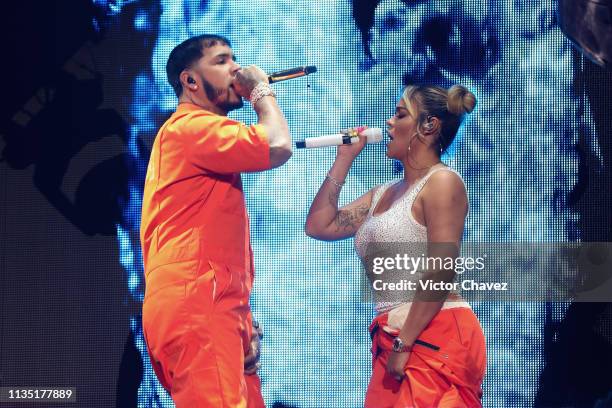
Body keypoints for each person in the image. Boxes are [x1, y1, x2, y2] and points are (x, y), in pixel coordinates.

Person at [305, 84, 486, 407]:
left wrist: (405, 343)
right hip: (393, 336)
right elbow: (319, 225)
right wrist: (344, 159)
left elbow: (441, 269)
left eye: (400, 114)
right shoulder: (382, 194)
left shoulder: (442, 182)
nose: (389, 122)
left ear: (428, 126)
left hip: (433, 332)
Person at [140, 34, 291, 407]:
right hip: (198, 302)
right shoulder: (191, 127)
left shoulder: (202, 135)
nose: (236, 69)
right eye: (223, 61)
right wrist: (260, 93)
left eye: (234, 59)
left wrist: (240, 320)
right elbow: (277, 145)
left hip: (212, 303)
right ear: (190, 81)